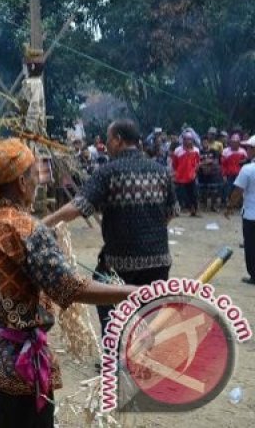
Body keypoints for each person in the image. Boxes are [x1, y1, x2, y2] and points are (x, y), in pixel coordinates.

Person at [0, 138, 136, 428]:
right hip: (16, 363)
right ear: (21, 181)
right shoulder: (25, 228)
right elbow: (70, 288)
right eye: (35, 174)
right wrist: (131, 292)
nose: (40, 180)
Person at [43, 119, 176, 337]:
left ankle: (113, 357)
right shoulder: (160, 171)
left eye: (108, 137)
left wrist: (43, 223)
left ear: (118, 139)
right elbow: (170, 213)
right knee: (150, 313)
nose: (106, 142)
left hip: (119, 263)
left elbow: (77, 207)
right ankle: (144, 358)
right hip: (160, 260)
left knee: (106, 301)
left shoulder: (109, 172)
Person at [226, 136, 255, 284]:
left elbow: (237, 191)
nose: (247, 150)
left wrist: (230, 206)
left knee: (250, 245)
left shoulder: (248, 169)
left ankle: (254, 274)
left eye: (250, 148)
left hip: (251, 214)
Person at [172, 132, 202, 216]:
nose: (188, 141)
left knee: (194, 194)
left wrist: (195, 171)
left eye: (190, 139)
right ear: (183, 140)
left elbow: (198, 162)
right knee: (182, 195)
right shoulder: (177, 150)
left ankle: (194, 211)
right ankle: (179, 210)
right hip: (180, 177)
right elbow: (174, 164)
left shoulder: (196, 150)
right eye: (186, 139)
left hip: (191, 176)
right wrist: (176, 173)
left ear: (192, 140)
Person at [222, 134, 249, 205]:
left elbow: (247, 161)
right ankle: (229, 204)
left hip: (239, 174)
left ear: (238, 143)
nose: (234, 143)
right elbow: (223, 164)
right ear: (230, 142)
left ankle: (238, 204)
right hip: (229, 174)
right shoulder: (225, 151)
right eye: (233, 142)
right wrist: (224, 175)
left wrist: (242, 161)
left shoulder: (242, 151)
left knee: (239, 189)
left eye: (236, 142)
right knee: (229, 189)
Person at [198, 136, 223, 211]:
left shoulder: (213, 151)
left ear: (208, 143)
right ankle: (204, 205)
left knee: (214, 191)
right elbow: (196, 162)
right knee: (203, 191)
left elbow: (216, 161)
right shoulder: (199, 151)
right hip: (202, 174)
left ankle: (213, 206)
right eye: (203, 142)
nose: (205, 143)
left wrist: (205, 162)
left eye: (206, 142)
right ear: (201, 143)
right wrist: (205, 163)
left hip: (212, 173)